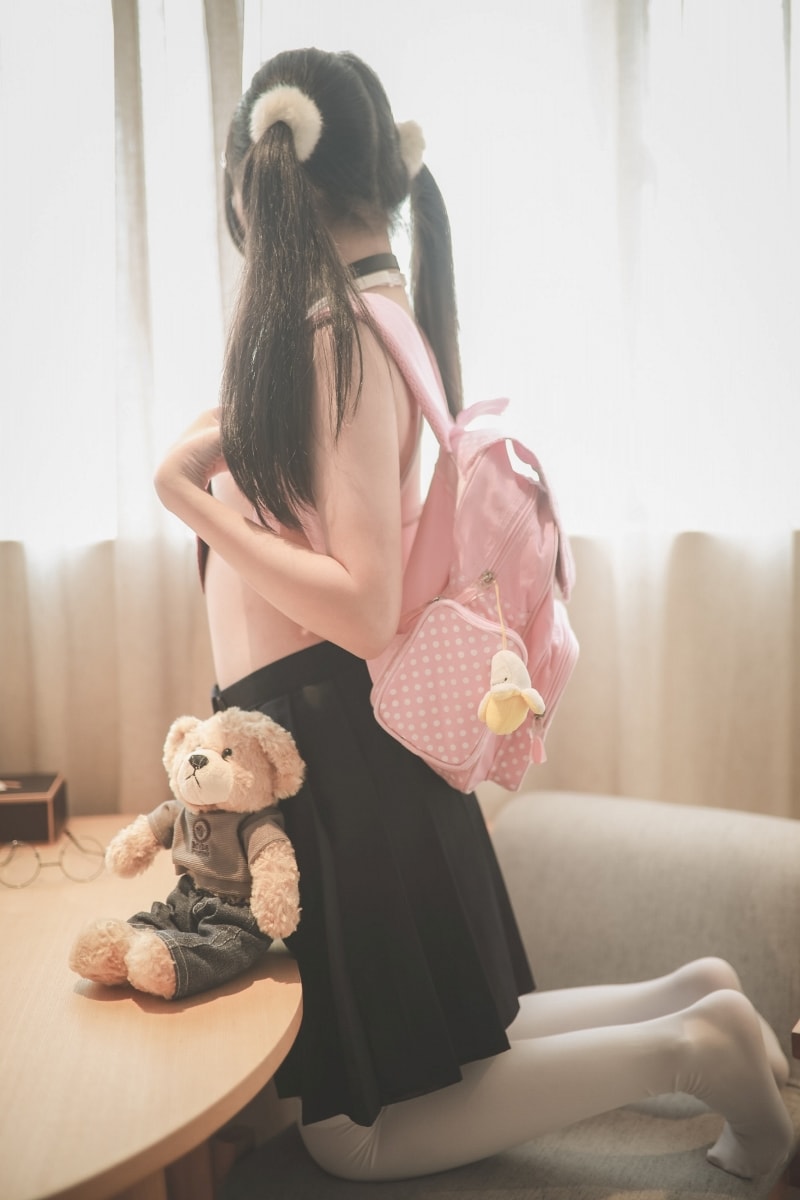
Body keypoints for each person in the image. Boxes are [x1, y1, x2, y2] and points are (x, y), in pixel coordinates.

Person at [154, 47, 793, 1184]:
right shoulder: (369, 314)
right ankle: (693, 1001)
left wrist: (188, 501)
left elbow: (363, 605)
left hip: (336, 749)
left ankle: (696, 1050)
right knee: (449, 1051)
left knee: (353, 1135)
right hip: (339, 741)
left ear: (267, 175)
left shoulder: (336, 331)